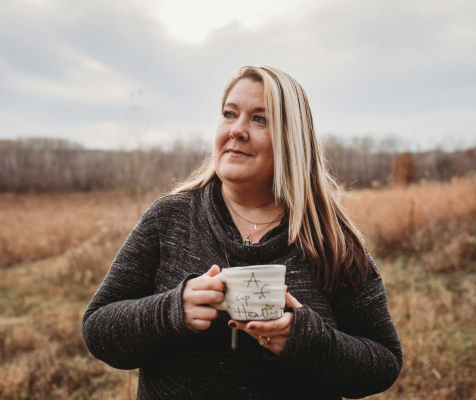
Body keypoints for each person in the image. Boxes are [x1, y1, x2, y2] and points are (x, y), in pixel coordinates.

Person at [81, 65, 402, 399]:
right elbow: (97, 328)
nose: (237, 130)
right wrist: (171, 311)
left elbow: (384, 363)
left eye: (259, 119)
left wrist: (305, 340)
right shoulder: (169, 218)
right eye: (229, 114)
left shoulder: (329, 237)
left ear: (292, 139)